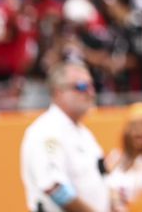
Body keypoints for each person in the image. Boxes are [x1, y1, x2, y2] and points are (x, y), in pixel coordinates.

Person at [20, 61, 110, 212]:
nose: (91, 93)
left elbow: (101, 176)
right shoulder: (46, 131)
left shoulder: (83, 133)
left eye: (92, 86)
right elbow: (54, 187)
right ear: (58, 92)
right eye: (81, 87)